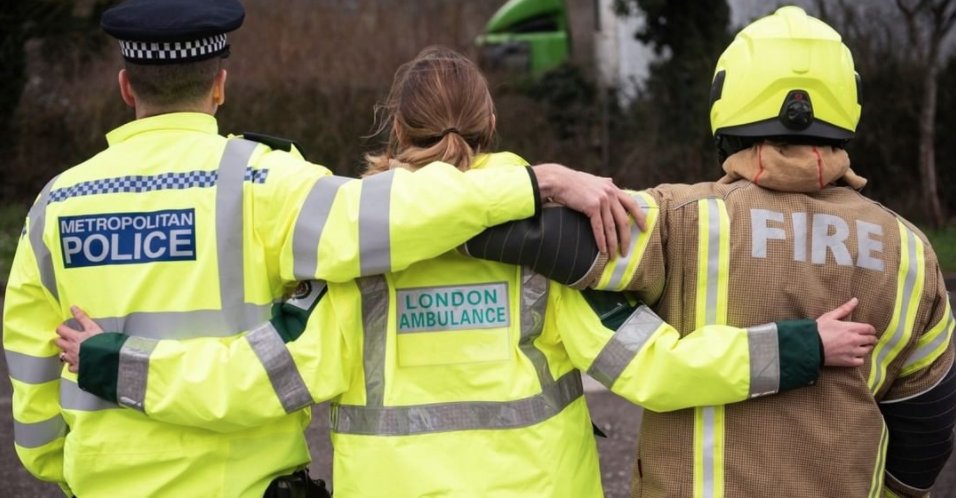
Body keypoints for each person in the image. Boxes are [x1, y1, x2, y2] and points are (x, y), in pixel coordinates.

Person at [57, 46, 877, 497]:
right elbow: (658, 373)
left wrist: (114, 361)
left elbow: (248, 384)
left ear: (393, 130)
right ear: (489, 130)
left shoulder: (353, 266)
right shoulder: (550, 249)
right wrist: (799, 346)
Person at [0, 1, 644, 497]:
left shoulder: (54, 204)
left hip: (104, 480)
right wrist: (536, 183)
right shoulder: (262, 180)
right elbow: (394, 213)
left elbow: (30, 379)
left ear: (124, 86)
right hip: (248, 485)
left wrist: (68, 466)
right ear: (219, 84)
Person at [465, 6, 956, 497]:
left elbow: (546, 236)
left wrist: (451, 210)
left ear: (728, 100)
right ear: (849, 104)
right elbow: (928, 422)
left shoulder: (685, 218)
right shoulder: (908, 252)